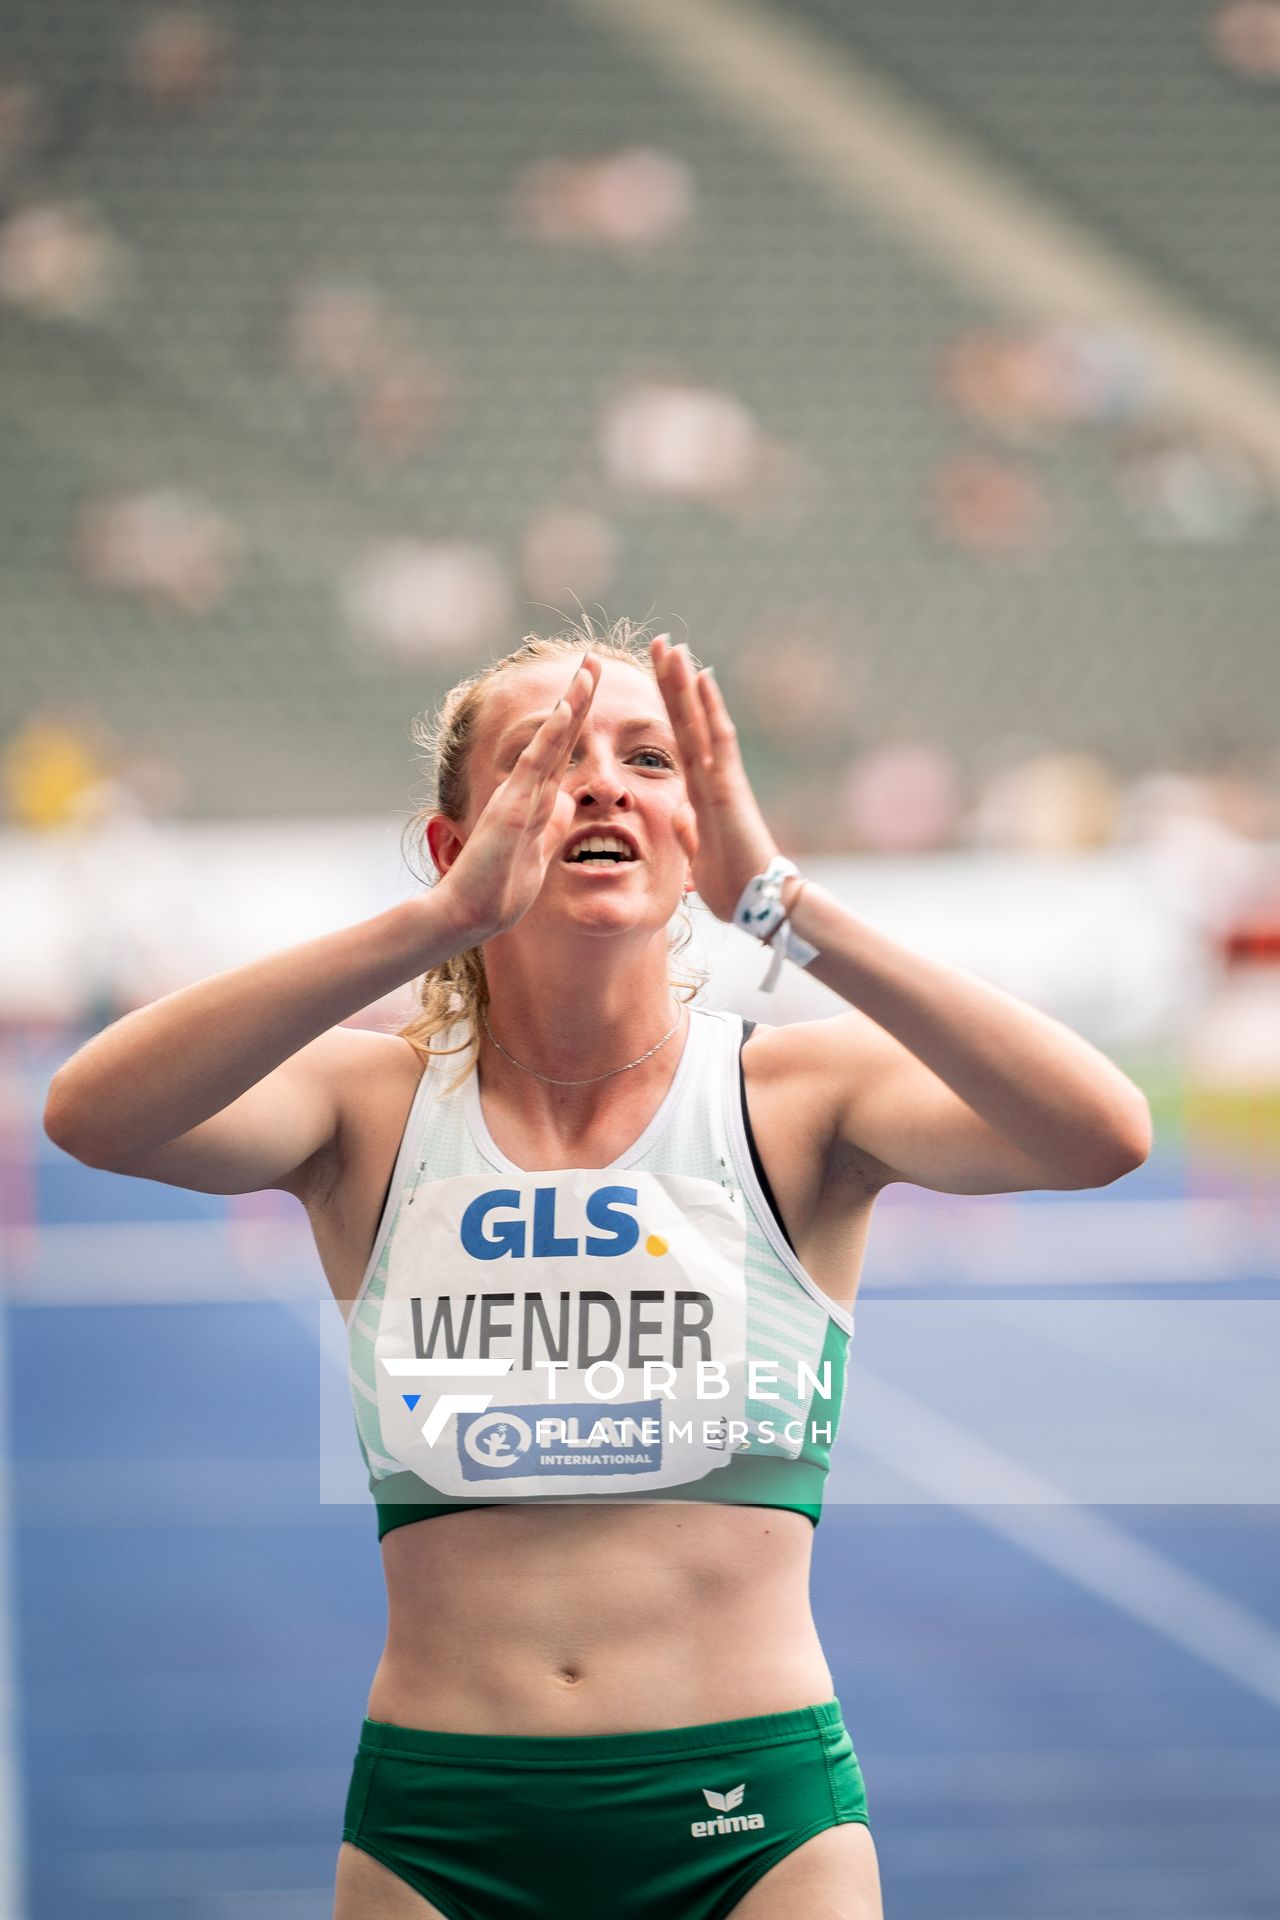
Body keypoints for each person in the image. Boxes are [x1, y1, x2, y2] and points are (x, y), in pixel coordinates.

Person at [44, 617, 1153, 1919]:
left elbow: (1102, 1135)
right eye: (549, 755)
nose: (602, 784)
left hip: (756, 1825)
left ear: (692, 831)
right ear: (456, 842)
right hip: (441, 1828)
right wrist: (433, 927)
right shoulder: (370, 1107)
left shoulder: (797, 1096)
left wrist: (785, 908)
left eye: (648, 759)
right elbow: (93, 1115)